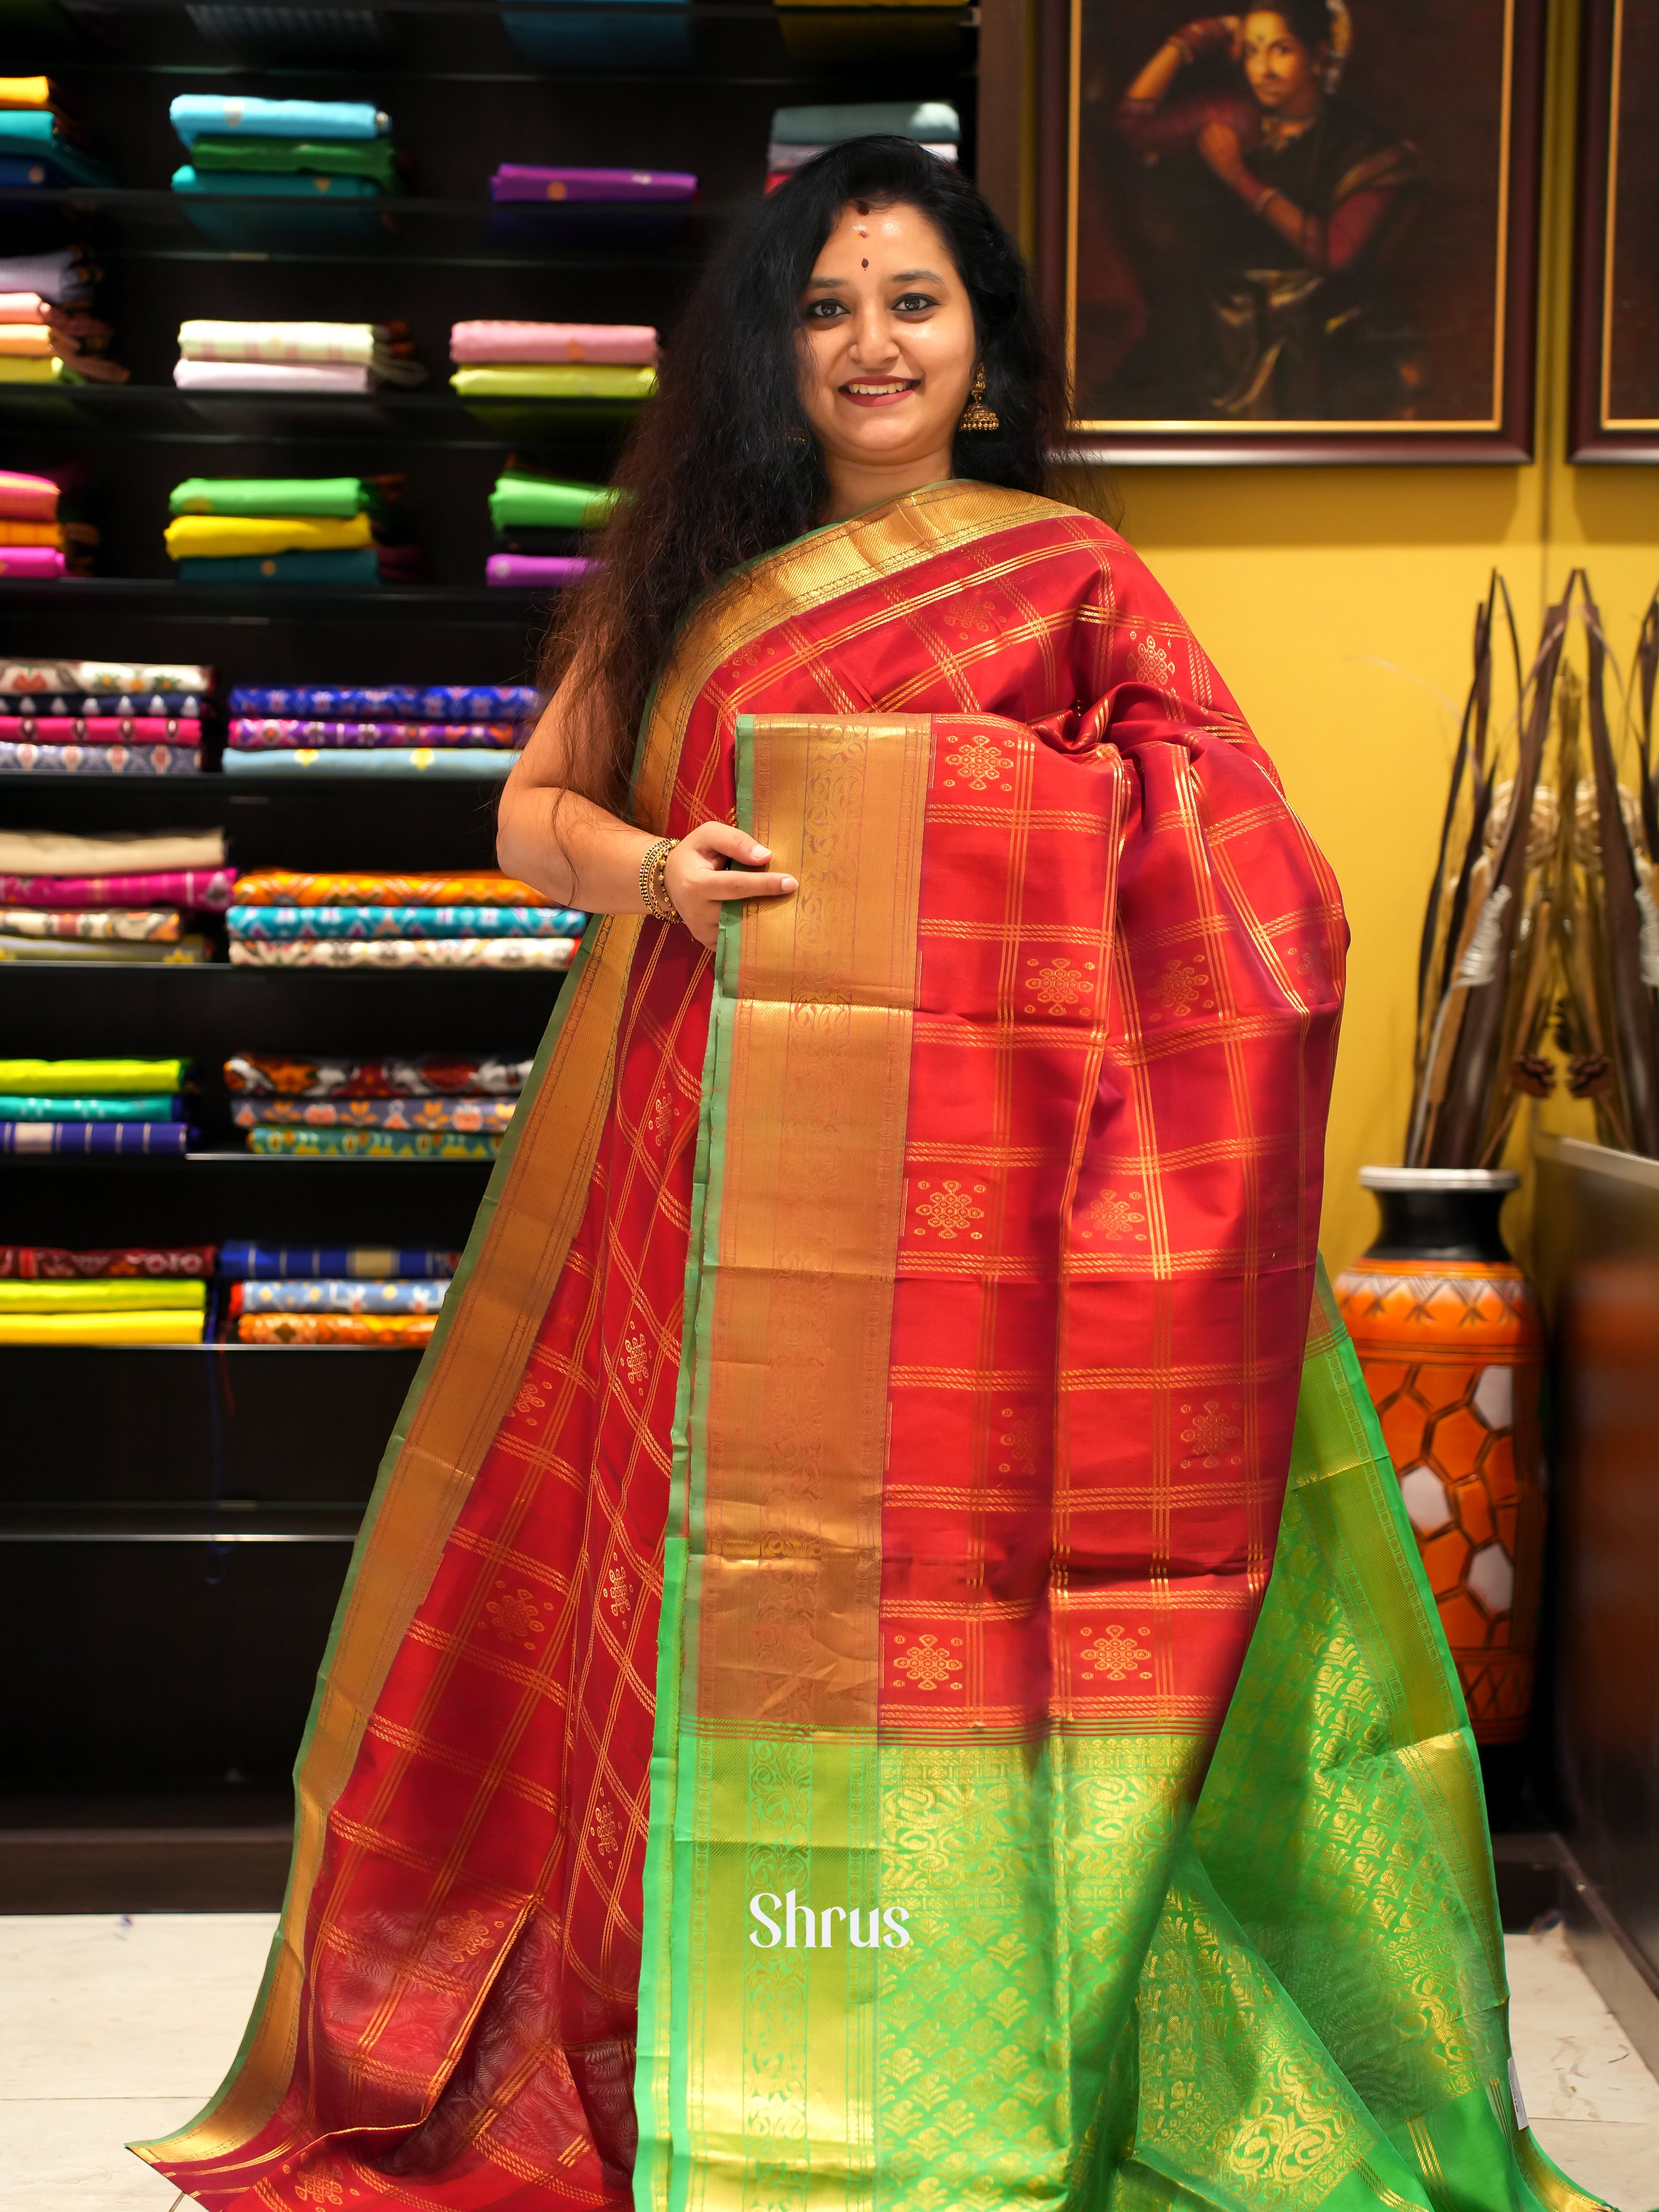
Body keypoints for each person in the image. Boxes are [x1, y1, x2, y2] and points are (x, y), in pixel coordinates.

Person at [137, 139, 1604, 2212]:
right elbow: (528, 814)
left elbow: (1245, 870)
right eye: (823, 307)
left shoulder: (1070, 574)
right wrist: (658, 869)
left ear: (981, 345)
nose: (868, 343)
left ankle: (952, 2006)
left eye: (910, 300)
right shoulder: (684, 570)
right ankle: (676, 2020)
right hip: (706, 1175)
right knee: (686, 1592)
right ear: (771, 348)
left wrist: (985, 820)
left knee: (947, 1610)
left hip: (990, 1231)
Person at [1107, 3, 1425, 419]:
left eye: (1281, 50)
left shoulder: (1365, 148)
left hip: (1318, 327)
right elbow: (1131, 125)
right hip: (1220, 323)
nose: (1264, 69)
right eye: (1253, 51)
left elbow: (1333, 252)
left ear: (1317, 56)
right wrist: (1192, 39)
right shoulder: (1234, 116)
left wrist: (1238, 175)